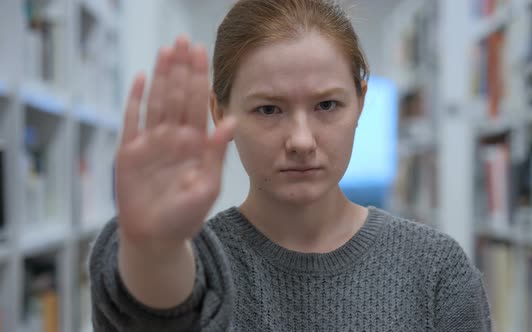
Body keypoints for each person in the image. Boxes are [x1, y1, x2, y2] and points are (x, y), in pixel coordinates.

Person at [89, 0, 492, 331]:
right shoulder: (199, 264)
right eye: (269, 109)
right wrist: (152, 249)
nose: (301, 140)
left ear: (361, 103)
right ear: (219, 111)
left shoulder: (436, 269)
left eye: (327, 105)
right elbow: (155, 310)